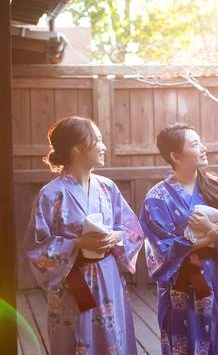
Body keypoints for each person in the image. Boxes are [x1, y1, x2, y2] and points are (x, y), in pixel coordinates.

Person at [24, 116, 144, 355]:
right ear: (77, 148)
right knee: (75, 339)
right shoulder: (51, 194)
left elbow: (133, 230)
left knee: (113, 338)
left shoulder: (107, 187)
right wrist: (78, 243)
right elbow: (36, 249)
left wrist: (116, 237)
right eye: (97, 140)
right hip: (72, 284)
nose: (104, 146)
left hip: (108, 277)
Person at [139, 123, 218, 355]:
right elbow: (161, 248)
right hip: (179, 283)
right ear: (175, 156)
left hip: (214, 277)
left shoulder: (216, 186)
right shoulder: (156, 198)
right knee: (182, 341)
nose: (203, 148)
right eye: (195, 144)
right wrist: (208, 238)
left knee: (217, 338)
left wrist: (216, 230)